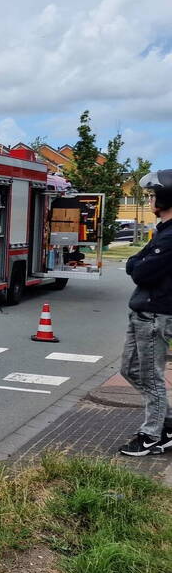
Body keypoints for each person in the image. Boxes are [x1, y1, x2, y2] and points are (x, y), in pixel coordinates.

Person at [118, 169, 172, 456]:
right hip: (142, 312)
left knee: (151, 377)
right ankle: (169, 423)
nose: (149, 200)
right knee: (129, 369)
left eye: (152, 195)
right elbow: (135, 262)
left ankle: (152, 436)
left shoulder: (171, 236)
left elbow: (141, 270)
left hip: (155, 315)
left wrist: (137, 264)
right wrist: (137, 263)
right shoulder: (162, 231)